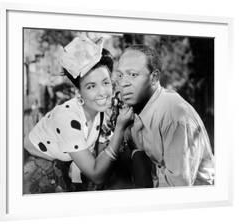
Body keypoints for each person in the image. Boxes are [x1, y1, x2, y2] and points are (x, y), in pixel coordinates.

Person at [24, 36, 134, 187]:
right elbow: (97, 175)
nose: (102, 92)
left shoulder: (98, 111)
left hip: (61, 167)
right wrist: (120, 128)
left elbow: (100, 153)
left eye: (105, 82)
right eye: (91, 86)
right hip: (36, 174)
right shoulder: (67, 118)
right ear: (79, 92)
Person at [116, 45, 215, 187]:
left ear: (154, 77)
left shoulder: (174, 117)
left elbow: (178, 188)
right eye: (120, 75)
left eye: (133, 75)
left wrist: (139, 158)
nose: (124, 83)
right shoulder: (135, 111)